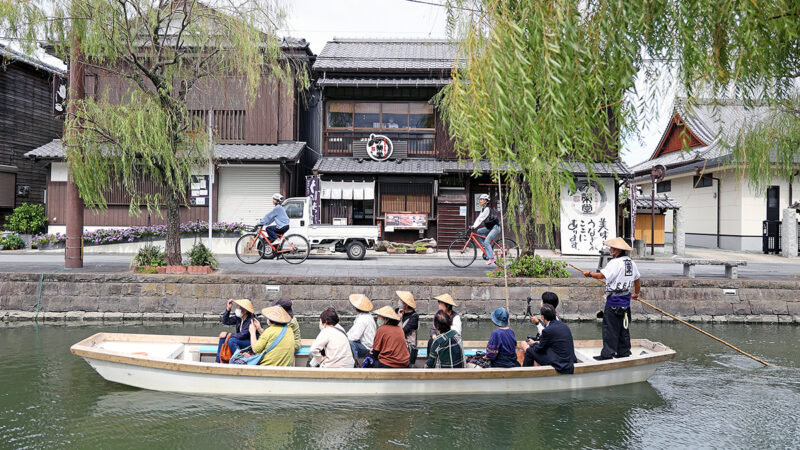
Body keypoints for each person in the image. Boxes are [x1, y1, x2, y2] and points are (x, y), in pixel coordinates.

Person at [582, 237, 641, 360]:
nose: (610, 250)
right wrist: (636, 293)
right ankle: (624, 351)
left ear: (617, 250)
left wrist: (589, 274)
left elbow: (601, 275)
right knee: (623, 328)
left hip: (614, 302)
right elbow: (637, 280)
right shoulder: (630, 262)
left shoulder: (614, 263)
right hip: (625, 301)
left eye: (611, 248)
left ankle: (607, 354)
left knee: (610, 329)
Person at [520, 304, 576, 374]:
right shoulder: (564, 325)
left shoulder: (547, 330)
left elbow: (539, 349)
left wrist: (533, 344)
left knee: (529, 351)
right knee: (534, 346)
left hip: (560, 363)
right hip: (569, 359)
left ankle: (525, 374)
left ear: (542, 317)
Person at [216, 298, 259, 363]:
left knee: (232, 340)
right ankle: (218, 361)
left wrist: (228, 334)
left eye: (238, 308)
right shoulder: (238, 318)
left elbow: (244, 334)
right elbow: (225, 321)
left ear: (244, 312)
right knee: (223, 338)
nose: (236, 310)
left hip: (251, 342)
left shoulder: (252, 320)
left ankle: (240, 359)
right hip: (242, 340)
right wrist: (228, 309)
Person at [470, 193, 501, 265]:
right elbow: (478, 218)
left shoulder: (487, 209)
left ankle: (492, 258)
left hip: (495, 228)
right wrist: (473, 225)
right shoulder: (483, 209)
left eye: (482, 199)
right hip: (490, 227)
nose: (480, 201)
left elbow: (480, 219)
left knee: (487, 242)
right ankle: (484, 246)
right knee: (479, 231)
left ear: (486, 201)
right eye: (480, 199)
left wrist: (473, 226)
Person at [347, 294, 377, 359]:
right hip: (366, 344)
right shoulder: (368, 316)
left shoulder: (363, 319)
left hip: (366, 348)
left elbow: (354, 337)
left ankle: (355, 363)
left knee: (349, 343)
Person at [395, 291, 419, 365]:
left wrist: (398, 319)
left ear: (406, 304)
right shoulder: (397, 311)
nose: (399, 302)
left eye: (401, 300)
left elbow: (403, 332)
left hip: (408, 347)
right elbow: (390, 327)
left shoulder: (414, 316)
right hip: (396, 342)